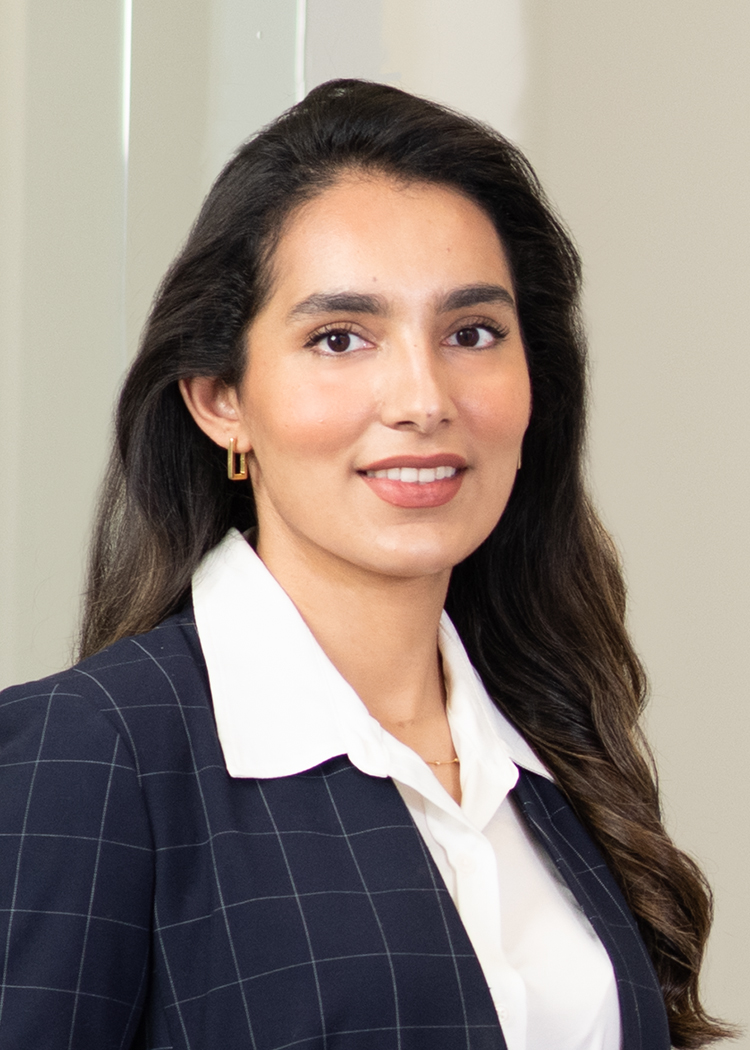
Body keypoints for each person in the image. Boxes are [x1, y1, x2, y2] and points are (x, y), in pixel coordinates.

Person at [0, 80, 732, 1050]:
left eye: (472, 333)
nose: (423, 398)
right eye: (340, 338)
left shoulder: (551, 745)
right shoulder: (93, 756)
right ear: (221, 399)